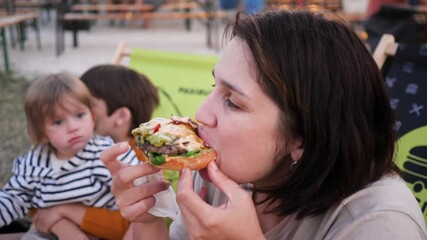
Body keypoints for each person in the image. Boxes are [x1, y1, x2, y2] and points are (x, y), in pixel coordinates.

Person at [100, 9, 427, 239]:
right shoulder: (226, 175)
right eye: (214, 86)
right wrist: (148, 217)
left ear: (302, 137)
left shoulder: (379, 223)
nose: (202, 113)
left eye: (233, 102)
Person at [0, 73, 139, 239]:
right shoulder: (34, 164)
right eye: (58, 122)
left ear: (93, 118)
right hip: (46, 231)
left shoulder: (101, 153)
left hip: (96, 233)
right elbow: (14, 198)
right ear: (41, 133)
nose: (73, 127)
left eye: (79, 115)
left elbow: (135, 178)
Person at [30, 65, 160, 240]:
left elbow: (124, 224)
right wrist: (61, 225)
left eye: (86, 105)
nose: (72, 111)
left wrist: (63, 210)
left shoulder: (144, 165)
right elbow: (34, 195)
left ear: (121, 117)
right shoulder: (74, 148)